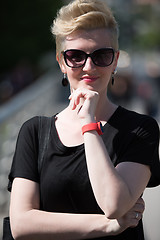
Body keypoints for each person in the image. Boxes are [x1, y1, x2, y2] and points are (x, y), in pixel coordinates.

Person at [8, 0, 160, 239]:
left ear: (115, 60)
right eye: (75, 56)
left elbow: (114, 204)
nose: (89, 66)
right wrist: (107, 226)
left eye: (101, 55)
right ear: (61, 63)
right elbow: (21, 224)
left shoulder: (140, 128)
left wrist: (88, 124)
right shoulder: (35, 131)